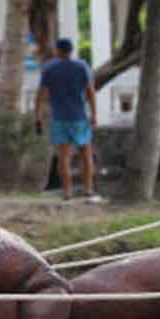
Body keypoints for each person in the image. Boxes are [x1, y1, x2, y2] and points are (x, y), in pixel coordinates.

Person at [35, 37, 101, 203]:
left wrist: (38, 117)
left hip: (59, 118)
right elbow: (90, 92)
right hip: (79, 117)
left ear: (57, 50)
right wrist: (94, 115)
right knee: (86, 154)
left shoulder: (49, 69)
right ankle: (88, 190)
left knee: (64, 157)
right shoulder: (81, 66)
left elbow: (40, 95)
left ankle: (67, 193)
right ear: (71, 50)